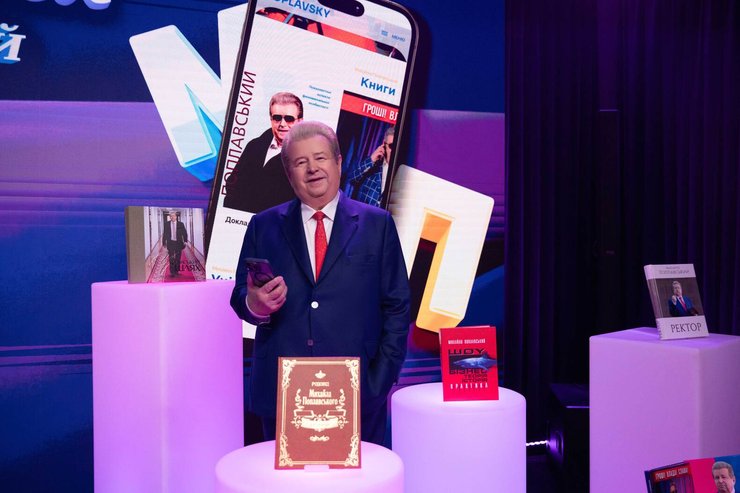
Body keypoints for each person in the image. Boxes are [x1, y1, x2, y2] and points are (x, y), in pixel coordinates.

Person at [230, 121, 410, 446]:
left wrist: (379, 380)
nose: (312, 168)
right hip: (283, 394)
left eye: (320, 158)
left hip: (358, 394)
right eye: (301, 162)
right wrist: (254, 306)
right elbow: (240, 296)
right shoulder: (263, 226)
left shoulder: (378, 225)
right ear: (289, 173)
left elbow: (397, 306)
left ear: (338, 162)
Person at [224, 92, 303, 212]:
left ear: (300, 121)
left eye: (289, 119)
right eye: (277, 118)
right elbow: (232, 183)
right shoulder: (254, 146)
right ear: (271, 119)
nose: (282, 124)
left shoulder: (305, 159)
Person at [344, 126, 394, 207]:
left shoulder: (401, 172)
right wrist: (371, 160)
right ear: (384, 145)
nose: (394, 150)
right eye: (391, 146)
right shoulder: (372, 164)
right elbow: (352, 179)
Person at [162, 211, 188, 277]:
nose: (172, 217)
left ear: (176, 217)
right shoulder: (166, 224)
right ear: (170, 217)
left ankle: (177, 271)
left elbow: (184, 232)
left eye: (173, 216)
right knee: (171, 257)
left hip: (178, 243)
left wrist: (185, 241)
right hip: (170, 243)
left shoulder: (181, 224)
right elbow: (165, 233)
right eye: (171, 216)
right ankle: (172, 272)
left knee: (178, 257)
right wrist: (164, 242)